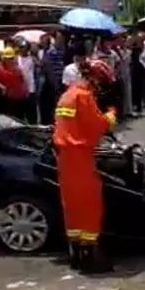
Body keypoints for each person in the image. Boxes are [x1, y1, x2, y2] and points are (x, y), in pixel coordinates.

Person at [53, 59, 118, 273]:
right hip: (80, 156)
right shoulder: (84, 96)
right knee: (90, 204)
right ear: (94, 79)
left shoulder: (67, 96)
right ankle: (90, 257)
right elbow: (96, 126)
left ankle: (75, 253)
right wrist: (110, 115)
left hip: (64, 158)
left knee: (72, 205)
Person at [0, 47, 30, 121]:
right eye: (7, 58)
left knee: (20, 118)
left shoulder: (18, 68)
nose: (9, 60)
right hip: (9, 98)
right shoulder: (0, 69)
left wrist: (26, 91)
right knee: (10, 118)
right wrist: (3, 87)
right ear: (4, 59)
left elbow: (23, 81)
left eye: (11, 58)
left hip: (20, 97)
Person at [40, 32, 67, 124]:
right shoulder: (50, 52)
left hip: (61, 81)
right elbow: (48, 68)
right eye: (59, 38)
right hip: (52, 83)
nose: (61, 40)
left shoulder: (63, 51)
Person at [16, 41, 38, 123]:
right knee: (20, 115)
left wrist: (34, 54)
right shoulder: (16, 59)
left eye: (25, 47)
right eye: (21, 47)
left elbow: (40, 65)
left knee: (32, 115)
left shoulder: (32, 58)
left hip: (31, 89)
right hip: (20, 90)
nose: (23, 49)